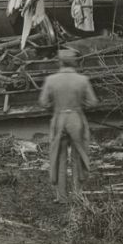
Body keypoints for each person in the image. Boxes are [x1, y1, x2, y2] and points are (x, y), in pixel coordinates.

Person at [39, 49, 99, 203]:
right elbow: (93, 102)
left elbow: (43, 103)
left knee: (59, 157)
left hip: (59, 118)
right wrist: (80, 105)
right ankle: (78, 195)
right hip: (76, 118)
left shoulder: (51, 80)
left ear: (60, 62)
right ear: (75, 62)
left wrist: (55, 105)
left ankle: (62, 197)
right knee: (78, 157)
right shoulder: (82, 80)